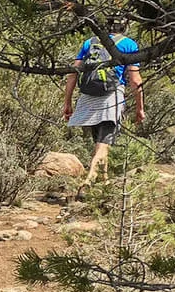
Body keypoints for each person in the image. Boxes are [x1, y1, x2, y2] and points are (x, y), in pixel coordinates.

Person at [61, 29, 144, 192]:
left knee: (100, 143)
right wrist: (140, 108)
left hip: (89, 96)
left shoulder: (90, 42)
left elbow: (73, 73)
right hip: (111, 96)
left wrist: (67, 102)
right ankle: (90, 180)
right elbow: (135, 80)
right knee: (104, 144)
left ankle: (104, 183)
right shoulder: (129, 44)